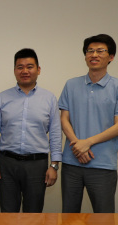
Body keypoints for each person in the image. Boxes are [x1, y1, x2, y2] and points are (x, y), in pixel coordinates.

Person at [0, 48, 62, 213]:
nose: (25, 71)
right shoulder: (2, 98)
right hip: (7, 164)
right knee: (7, 214)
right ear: (14, 70)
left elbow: (56, 134)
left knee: (34, 216)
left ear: (38, 70)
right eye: (20, 67)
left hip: (37, 165)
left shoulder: (49, 99)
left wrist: (54, 166)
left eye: (30, 66)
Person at [59, 34, 118, 213]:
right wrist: (78, 145)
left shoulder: (116, 87)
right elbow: (64, 119)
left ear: (111, 57)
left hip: (103, 165)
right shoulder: (71, 85)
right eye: (90, 51)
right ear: (85, 56)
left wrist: (88, 142)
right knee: (69, 218)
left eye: (100, 51)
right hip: (71, 163)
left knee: (104, 220)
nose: (94, 55)